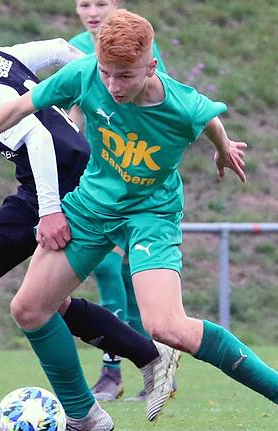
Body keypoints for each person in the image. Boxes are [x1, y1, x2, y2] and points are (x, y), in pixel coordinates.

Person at [0, 9, 278, 431]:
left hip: (150, 215)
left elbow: (209, 117)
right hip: (92, 205)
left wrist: (223, 148)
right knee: (29, 309)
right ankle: (84, 416)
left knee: (166, 326)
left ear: (150, 67)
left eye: (126, 76)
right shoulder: (85, 75)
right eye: (107, 74)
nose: (113, 86)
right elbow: (15, 109)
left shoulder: (182, 104)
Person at [0, 13, 179, 431]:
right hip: (56, 181)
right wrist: (91, 87)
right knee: (18, 293)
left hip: (59, 189)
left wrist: (50, 212)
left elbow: (38, 140)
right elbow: (62, 48)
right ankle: (140, 361)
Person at [69, 0, 169, 403]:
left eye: (101, 3)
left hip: (131, 184)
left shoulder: (144, 52)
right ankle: (114, 373)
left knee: (130, 287)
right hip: (93, 184)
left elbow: (157, 115)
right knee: (110, 278)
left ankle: (152, 367)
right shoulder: (76, 46)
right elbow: (73, 103)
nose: (92, 11)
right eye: (84, 3)